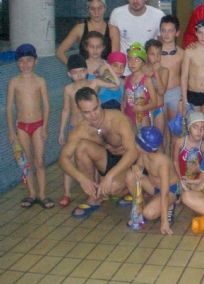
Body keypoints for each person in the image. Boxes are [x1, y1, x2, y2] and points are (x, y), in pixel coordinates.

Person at [58, 87, 139, 218]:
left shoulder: (117, 119)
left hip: (129, 161)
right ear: (80, 111)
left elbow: (133, 152)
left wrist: (110, 176)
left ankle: (130, 188)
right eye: (87, 112)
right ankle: (93, 197)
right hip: (108, 160)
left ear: (100, 102)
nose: (93, 115)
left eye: (95, 109)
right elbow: (63, 159)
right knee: (81, 147)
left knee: (112, 188)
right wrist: (82, 179)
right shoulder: (82, 129)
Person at [58, 54, 118, 207]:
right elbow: (65, 110)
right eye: (74, 72)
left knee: (93, 159)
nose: (78, 75)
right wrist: (61, 131)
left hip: (91, 129)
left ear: (87, 71)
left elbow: (116, 84)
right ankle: (67, 193)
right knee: (69, 160)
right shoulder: (68, 89)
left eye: (81, 71)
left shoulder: (94, 83)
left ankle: (95, 190)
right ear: (68, 74)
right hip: (74, 128)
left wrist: (106, 66)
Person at [6, 44, 53, 209]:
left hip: (38, 125)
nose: (25, 64)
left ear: (36, 61)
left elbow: (46, 106)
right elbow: (9, 108)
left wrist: (46, 127)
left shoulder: (40, 81)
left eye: (29, 60)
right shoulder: (14, 82)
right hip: (21, 127)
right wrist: (11, 131)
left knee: (39, 161)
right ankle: (32, 194)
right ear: (17, 63)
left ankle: (42, 194)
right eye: (21, 61)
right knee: (27, 163)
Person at [125, 126, 180, 235]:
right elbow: (139, 166)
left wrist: (164, 222)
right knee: (130, 176)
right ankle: (139, 208)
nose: (135, 143)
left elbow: (164, 193)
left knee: (149, 214)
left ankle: (170, 205)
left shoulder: (162, 162)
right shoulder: (144, 154)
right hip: (154, 187)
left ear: (143, 146)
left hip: (170, 191)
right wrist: (136, 168)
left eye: (137, 142)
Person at [109, 0, 165, 74]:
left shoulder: (158, 16)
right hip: (125, 72)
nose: (135, 0)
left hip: (149, 72)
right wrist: (115, 73)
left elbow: (163, 47)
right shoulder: (117, 14)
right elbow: (115, 49)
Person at [56, 0, 120, 65]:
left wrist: (106, 74)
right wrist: (74, 68)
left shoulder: (113, 30)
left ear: (105, 8)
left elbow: (115, 59)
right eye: (92, 9)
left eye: (100, 8)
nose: (96, 12)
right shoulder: (79, 29)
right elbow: (59, 52)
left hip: (105, 73)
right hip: (84, 74)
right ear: (88, 10)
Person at [123, 43, 158, 129]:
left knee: (142, 140)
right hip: (128, 117)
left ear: (143, 62)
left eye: (137, 60)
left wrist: (141, 108)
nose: (132, 63)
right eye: (130, 59)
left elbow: (154, 103)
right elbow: (124, 101)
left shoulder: (147, 80)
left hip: (143, 118)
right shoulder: (127, 79)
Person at [159, 15, 185, 121]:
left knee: (175, 127)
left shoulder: (182, 54)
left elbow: (185, 77)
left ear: (177, 33)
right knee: (160, 127)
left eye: (170, 31)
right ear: (160, 32)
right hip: (159, 92)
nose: (166, 34)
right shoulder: (154, 53)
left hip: (175, 92)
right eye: (163, 30)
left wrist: (183, 96)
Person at [172, 111, 204, 183]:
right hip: (180, 178)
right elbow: (175, 162)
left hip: (196, 181)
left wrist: (198, 169)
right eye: (195, 127)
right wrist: (180, 179)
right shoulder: (180, 142)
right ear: (189, 128)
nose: (199, 131)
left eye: (203, 128)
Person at [143, 39, 169, 136]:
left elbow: (161, 92)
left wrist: (156, 73)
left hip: (158, 109)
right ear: (146, 55)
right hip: (144, 109)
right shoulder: (142, 70)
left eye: (159, 54)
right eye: (152, 54)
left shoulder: (164, 71)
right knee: (145, 138)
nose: (156, 57)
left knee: (158, 140)